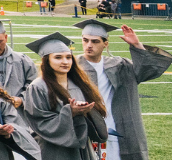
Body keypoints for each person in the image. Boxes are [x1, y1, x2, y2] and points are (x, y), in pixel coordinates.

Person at [74, 19, 172, 160]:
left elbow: (149, 71)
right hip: (87, 129)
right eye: (85, 40)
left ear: (105, 44)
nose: (89, 45)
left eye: (95, 41)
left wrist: (137, 45)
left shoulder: (120, 66)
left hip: (118, 128)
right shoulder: (72, 67)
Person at [21, 32, 110, 160]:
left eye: (68, 57)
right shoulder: (38, 87)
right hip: (53, 149)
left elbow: (97, 114)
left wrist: (86, 111)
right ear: (46, 61)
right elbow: (39, 121)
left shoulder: (79, 83)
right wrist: (70, 112)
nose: (65, 62)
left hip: (81, 146)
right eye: (58, 57)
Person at [0, 20, 38, 105]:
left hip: (16, 112)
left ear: (6, 38)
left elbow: (34, 85)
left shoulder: (22, 60)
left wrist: (22, 99)